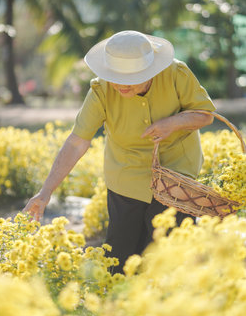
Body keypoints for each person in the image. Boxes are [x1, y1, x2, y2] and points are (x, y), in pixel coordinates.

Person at [23, 30, 215, 273]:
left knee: (168, 250)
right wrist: (45, 192)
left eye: (130, 78)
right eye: (115, 76)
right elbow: (77, 142)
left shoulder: (177, 74)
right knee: (119, 255)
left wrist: (173, 123)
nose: (120, 85)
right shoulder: (101, 90)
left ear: (150, 71)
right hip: (126, 176)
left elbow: (205, 115)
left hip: (176, 173)